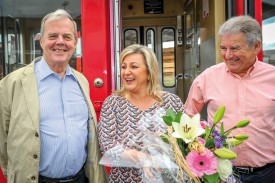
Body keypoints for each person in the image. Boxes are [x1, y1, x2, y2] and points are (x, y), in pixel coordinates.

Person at [0, 9, 107, 183]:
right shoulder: (12, 83)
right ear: (41, 41)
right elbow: (2, 142)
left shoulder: (81, 81)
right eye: (52, 36)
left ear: (75, 42)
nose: (60, 42)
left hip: (80, 179)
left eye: (66, 36)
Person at [184, 15, 275, 183]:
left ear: (256, 46)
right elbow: (186, 119)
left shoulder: (273, 77)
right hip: (220, 174)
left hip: (267, 174)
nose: (227, 55)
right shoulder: (207, 78)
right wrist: (199, 150)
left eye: (234, 48)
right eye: (223, 48)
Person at [98, 44, 185, 182]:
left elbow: (185, 141)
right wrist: (143, 158)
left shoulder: (171, 102)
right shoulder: (113, 103)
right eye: (123, 66)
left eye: (134, 66)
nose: (126, 72)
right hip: (125, 179)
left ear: (149, 72)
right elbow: (107, 146)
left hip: (166, 178)